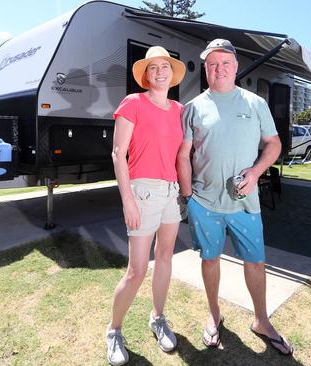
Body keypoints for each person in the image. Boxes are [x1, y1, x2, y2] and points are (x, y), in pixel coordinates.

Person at [177, 39, 293, 356]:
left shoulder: (255, 104)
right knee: (209, 259)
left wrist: (255, 173)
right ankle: (214, 315)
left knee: (255, 263)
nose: (219, 68)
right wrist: (188, 196)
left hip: (246, 204)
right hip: (204, 202)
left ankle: (261, 320)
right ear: (205, 69)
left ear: (236, 66)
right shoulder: (193, 107)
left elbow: (273, 144)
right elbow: (183, 155)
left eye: (225, 62)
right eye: (212, 63)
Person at [106, 46, 186, 366]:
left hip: (172, 191)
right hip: (144, 191)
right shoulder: (133, 102)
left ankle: (158, 317)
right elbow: (117, 154)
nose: (160, 71)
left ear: (171, 73)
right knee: (137, 270)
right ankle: (113, 331)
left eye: (164, 66)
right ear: (145, 75)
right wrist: (128, 199)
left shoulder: (180, 109)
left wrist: (186, 190)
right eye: (153, 68)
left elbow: (183, 154)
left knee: (165, 257)